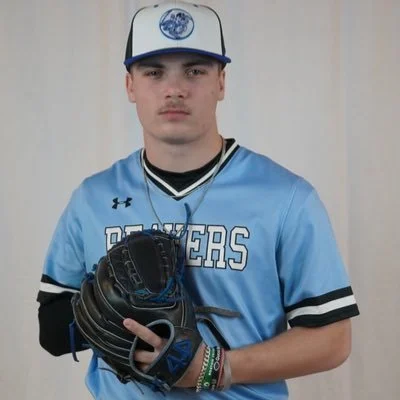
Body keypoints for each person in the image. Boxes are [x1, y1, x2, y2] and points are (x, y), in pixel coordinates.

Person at [37, 1, 360, 399]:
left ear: (221, 82)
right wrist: (113, 309)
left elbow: (333, 338)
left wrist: (215, 368)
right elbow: (51, 331)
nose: (175, 88)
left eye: (195, 70)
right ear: (130, 86)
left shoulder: (286, 197)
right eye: (154, 72)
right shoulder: (92, 198)